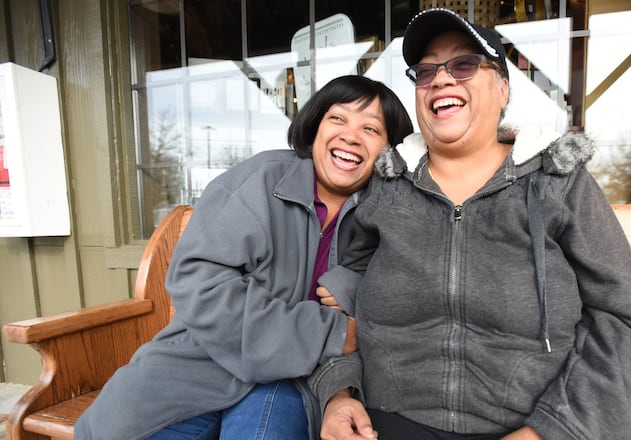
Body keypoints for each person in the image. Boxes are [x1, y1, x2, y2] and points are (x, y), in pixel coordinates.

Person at [310, 8, 631, 440]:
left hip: (530, 426)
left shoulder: (557, 184)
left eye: (463, 64)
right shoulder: (388, 188)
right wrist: (339, 394)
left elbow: (623, 322)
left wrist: (553, 430)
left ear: (502, 88)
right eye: (425, 72)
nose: (441, 79)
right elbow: (342, 304)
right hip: (388, 423)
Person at [74, 75, 413, 440]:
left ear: (388, 151)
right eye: (338, 118)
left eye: (371, 128)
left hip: (292, 382)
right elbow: (200, 287)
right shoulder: (260, 182)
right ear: (314, 127)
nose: (351, 135)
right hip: (202, 367)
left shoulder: (382, 216)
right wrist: (326, 331)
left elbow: (395, 307)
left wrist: (354, 288)